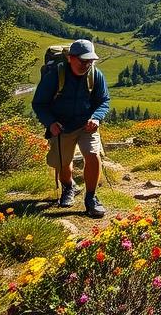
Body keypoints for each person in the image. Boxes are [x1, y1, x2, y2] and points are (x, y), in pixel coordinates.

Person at [31, 38, 110, 218]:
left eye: (90, 61)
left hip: (86, 124)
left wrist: (96, 118)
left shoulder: (95, 75)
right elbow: (39, 104)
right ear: (70, 58)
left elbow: (104, 100)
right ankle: (69, 186)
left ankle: (91, 198)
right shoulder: (55, 76)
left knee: (92, 155)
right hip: (61, 127)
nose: (86, 65)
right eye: (83, 61)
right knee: (63, 163)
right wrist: (51, 123)